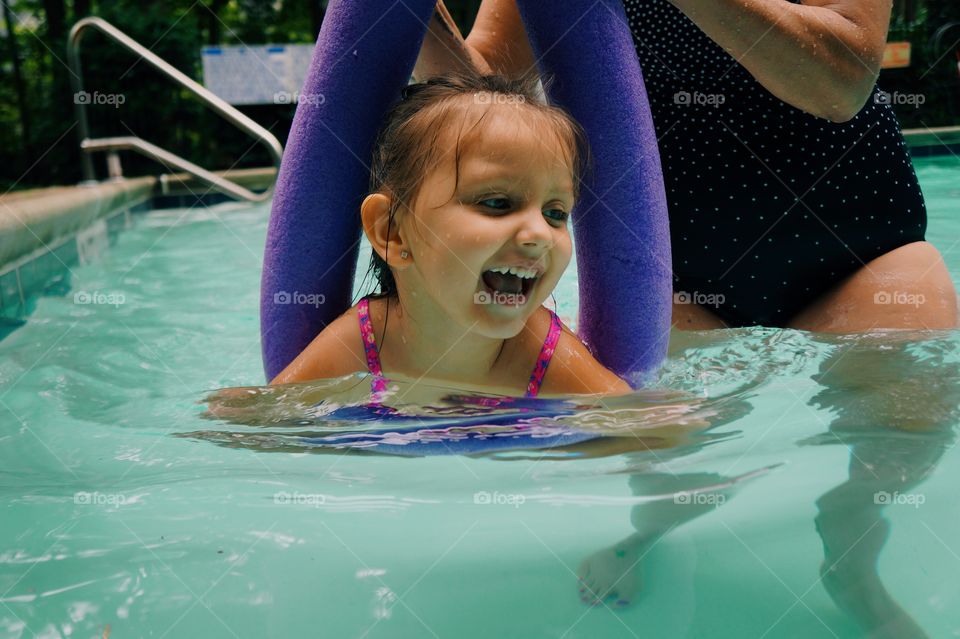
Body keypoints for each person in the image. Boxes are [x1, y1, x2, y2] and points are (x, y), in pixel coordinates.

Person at [414, 0, 958, 332]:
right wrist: (414, 19)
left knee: (885, 467)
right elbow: (485, 103)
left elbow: (842, 82)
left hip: (859, 254)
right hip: (669, 273)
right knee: (669, 488)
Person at [270, 73, 630, 397]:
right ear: (392, 231)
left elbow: (649, 431)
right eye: (496, 202)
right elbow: (257, 422)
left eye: (556, 213)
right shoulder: (362, 343)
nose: (540, 233)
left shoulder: (541, 354)